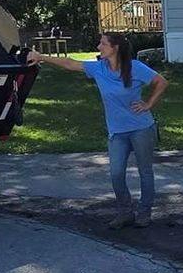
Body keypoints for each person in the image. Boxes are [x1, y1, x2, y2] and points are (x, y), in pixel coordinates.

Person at [33, 32, 167, 227]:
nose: (98, 47)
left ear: (115, 48)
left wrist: (148, 104)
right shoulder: (99, 69)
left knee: (145, 171)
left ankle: (144, 212)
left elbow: (161, 82)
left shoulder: (135, 68)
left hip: (141, 128)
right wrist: (41, 57)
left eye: (103, 44)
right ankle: (125, 212)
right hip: (117, 132)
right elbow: (70, 64)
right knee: (116, 173)